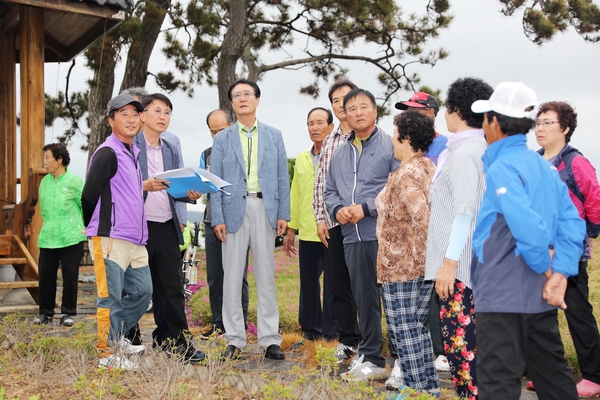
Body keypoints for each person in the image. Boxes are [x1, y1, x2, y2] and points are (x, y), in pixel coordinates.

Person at [470, 82, 585, 400]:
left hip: (504, 293)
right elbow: (573, 223)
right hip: (538, 297)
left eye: (485, 118)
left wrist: (551, 273)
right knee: (553, 376)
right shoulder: (544, 167)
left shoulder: (503, 168)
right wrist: (559, 273)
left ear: (494, 122)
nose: (483, 125)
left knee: (498, 382)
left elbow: (529, 229)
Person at [210, 79, 290, 361]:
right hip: (232, 211)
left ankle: (270, 339)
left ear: (257, 100)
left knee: (266, 276)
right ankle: (235, 339)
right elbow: (216, 181)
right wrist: (217, 215)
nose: (242, 98)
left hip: (265, 207)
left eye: (248, 94)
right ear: (231, 103)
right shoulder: (222, 139)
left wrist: (284, 213)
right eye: (236, 95)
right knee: (231, 276)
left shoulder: (274, 136)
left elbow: (282, 176)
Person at [424, 77, 494, 399]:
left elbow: (465, 211)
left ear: (453, 111)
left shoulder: (466, 152)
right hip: (468, 264)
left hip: (461, 268)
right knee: (466, 349)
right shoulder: (474, 148)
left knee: (462, 351)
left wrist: (449, 264)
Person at [325, 88, 399, 381]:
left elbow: (395, 189)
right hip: (352, 237)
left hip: (384, 235)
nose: (358, 112)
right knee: (364, 298)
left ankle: (404, 360)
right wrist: (337, 210)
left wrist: (365, 208)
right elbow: (330, 191)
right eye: (351, 108)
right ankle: (372, 357)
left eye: (363, 106)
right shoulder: (341, 152)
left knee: (394, 299)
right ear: (344, 114)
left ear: (375, 111)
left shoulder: (391, 145)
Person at [530, 101, 600, 398]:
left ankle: (594, 376)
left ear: (566, 128)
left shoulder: (575, 162)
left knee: (576, 313)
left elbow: (594, 202)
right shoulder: (532, 161)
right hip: (535, 254)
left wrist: (589, 236)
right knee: (538, 316)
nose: (540, 128)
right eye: (538, 123)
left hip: (567, 254)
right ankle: (548, 373)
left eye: (548, 122)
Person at [81, 94, 153, 370]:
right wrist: (97, 228)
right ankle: (106, 354)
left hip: (135, 239)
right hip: (110, 237)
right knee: (109, 296)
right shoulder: (108, 152)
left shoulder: (131, 152)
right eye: (123, 114)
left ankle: (115, 336)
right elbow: (89, 195)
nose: (131, 119)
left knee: (143, 292)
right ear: (111, 120)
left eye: (135, 114)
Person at [132, 93, 205, 363]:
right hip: (137, 227)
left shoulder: (170, 147)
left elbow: (176, 187)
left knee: (172, 288)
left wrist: (190, 194)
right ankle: (130, 339)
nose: (163, 117)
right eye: (157, 111)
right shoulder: (130, 146)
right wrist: (144, 186)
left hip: (165, 224)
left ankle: (174, 341)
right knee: (136, 289)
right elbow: (119, 187)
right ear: (143, 115)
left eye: (167, 112)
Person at [377, 111, 439, 395]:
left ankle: (416, 391)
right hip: (422, 263)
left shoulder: (407, 174)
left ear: (407, 137)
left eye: (395, 131)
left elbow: (423, 217)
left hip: (401, 265)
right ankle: (428, 389)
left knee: (405, 332)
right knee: (417, 329)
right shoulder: (426, 166)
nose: (392, 137)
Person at [395, 90, 449, 372]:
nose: (408, 114)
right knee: (415, 298)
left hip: (437, 230)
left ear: (430, 113)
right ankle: (419, 350)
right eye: (406, 110)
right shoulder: (402, 146)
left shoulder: (446, 146)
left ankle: (442, 351)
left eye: (414, 109)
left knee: (437, 293)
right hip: (408, 238)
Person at [312, 78, 361, 363]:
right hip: (334, 224)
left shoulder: (369, 135)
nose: (341, 104)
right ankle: (348, 339)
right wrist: (320, 218)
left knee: (365, 285)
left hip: (363, 223)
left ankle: (370, 339)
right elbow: (321, 184)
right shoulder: (329, 141)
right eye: (335, 100)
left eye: (346, 98)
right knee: (339, 285)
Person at [284, 107, 336, 343]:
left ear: (331, 127)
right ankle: (311, 330)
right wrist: (291, 229)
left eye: (319, 123)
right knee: (309, 285)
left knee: (334, 284)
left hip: (333, 230)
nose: (314, 128)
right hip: (307, 231)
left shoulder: (338, 153)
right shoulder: (302, 158)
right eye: (310, 124)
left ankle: (332, 331)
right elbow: (295, 194)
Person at [199, 109, 250, 338]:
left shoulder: (244, 149)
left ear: (231, 125)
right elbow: (200, 187)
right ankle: (218, 323)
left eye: (222, 129)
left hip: (237, 220)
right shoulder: (206, 153)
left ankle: (239, 324)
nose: (217, 134)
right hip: (212, 220)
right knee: (215, 275)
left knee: (238, 275)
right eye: (213, 131)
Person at [35, 143, 86, 327]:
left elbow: (85, 206)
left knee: (70, 277)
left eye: (48, 158)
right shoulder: (44, 182)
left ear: (59, 159)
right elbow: (44, 211)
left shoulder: (75, 181)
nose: (45, 162)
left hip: (71, 237)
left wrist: (84, 226)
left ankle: (67, 313)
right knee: (46, 276)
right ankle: (45, 313)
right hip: (48, 237)